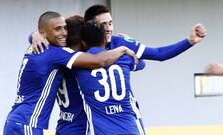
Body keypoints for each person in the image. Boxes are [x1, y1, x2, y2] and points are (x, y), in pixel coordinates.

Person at [31, 4, 207, 134]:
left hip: (108, 122)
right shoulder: (83, 55)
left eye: (111, 23)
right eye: (103, 24)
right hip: (91, 125)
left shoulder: (70, 54)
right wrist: (35, 35)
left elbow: (158, 54)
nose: (109, 28)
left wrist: (35, 34)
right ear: (89, 28)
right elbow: (141, 63)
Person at [3, 11, 138, 135]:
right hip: (30, 122)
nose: (64, 32)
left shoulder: (40, 47)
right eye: (58, 29)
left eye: (65, 28)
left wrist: (34, 34)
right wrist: (123, 47)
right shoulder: (60, 56)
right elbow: (98, 60)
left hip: (34, 122)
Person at [72, 20, 145, 134]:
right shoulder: (124, 58)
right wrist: (130, 42)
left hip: (102, 131)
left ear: (84, 43)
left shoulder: (78, 64)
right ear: (105, 39)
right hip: (130, 129)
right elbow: (141, 63)